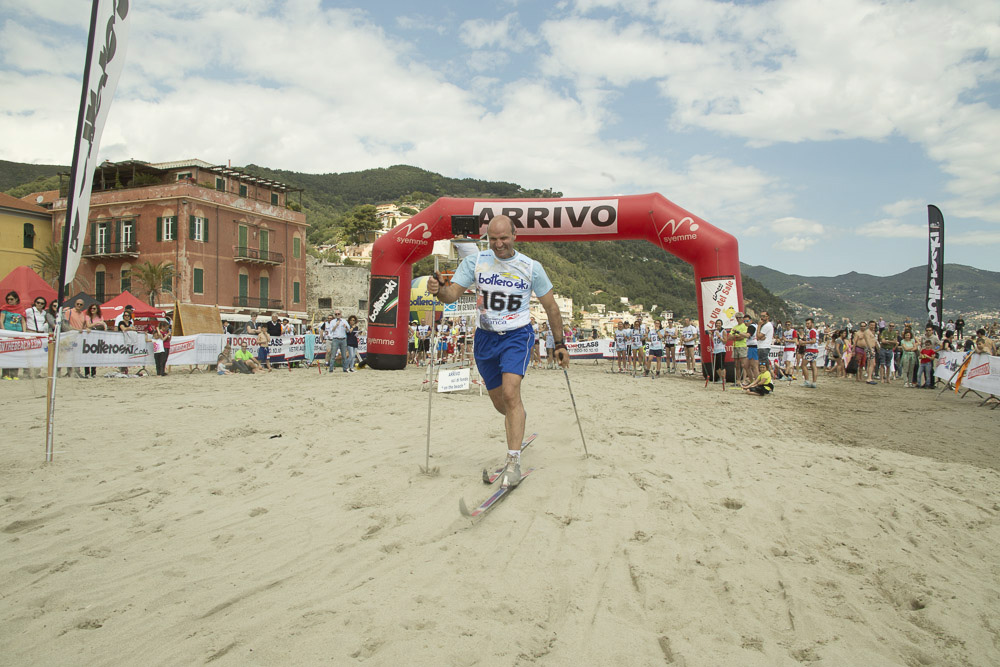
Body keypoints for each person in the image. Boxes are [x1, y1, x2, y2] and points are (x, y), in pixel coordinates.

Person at [427, 214, 569, 489]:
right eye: (493, 239)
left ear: (515, 236)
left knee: (510, 393)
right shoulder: (476, 261)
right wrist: (437, 289)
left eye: (504, 238)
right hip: (485, 339)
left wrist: (560, 344)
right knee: (500, 404)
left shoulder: (531, 267)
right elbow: (451, 294)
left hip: (517, 335)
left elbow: (551, 307)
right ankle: (518, 417)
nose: (499, 244)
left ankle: (513, 461)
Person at [2, 290, 25, 380]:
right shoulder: (4, 308)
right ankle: (5, 374)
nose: (9, 301)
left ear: (16, 299)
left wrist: (24, 332)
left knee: (17, 354)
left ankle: (14, 374)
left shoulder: (20, 309)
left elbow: (23, 321)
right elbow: (1, 320)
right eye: (8, 299)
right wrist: (3, 331)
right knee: (7, 353)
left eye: (11, 299)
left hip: (18, 333)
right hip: (8, 332)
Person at [82, 303, 107, 378]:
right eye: (91, 308)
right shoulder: (87, 316)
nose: (92, 310)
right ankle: (87, 373)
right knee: (87, 355)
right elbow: (88, 325)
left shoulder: (100, 316)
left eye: (94, 308)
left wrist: (102, 326)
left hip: (96, 337)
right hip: (88, 337)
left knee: (94, 355)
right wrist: (97, 323)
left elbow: (103, 325)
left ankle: (93, 372)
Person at [799, 317, 819, 388]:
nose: (807, 325)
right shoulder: (814, 331)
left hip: (811, 350)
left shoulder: (812, 331)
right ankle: (814, 382)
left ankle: (807, 381)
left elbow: (813, 341)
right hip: (814, 350)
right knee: (813, 366)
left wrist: (804, 342)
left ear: (812, 324)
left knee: (803, 365)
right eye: (806, 324)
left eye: (808, 323)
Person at [730, 311, 749, 383]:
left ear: (742, 318)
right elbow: (730, 337)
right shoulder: (734, 327)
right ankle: (738, 379)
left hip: (742, 346)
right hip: (735, 346)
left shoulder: (745, 326)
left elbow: (742, 337)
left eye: (739, 318)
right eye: (737, 318)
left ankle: (744, 379)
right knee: (736, 364)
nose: (738, 319)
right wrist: (737, 336)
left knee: (743, 364)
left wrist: (736, 336)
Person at [706, 319, 726, 383]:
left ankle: (724, 378)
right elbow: (714, 341)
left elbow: (725, 341)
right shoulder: (715, 332)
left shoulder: (723, 331)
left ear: (721, 324)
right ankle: (720, 377)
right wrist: (711, 336)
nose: (718, 325)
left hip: (721, 350)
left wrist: (719, 336)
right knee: (716, 367)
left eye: (719, 323)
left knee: (721, 366)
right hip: (715, 350)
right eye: (717, 323)